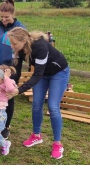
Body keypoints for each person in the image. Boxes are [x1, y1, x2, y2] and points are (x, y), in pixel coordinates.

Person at [6, 27, 69, 159]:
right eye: (11, 43)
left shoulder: (40, 47)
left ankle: (57, 144)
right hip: (43, 74)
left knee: (52, 106)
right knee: (36, 104)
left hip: (58, 73)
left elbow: (37, 75)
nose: (12, 46)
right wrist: (10, 86)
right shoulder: (18, 49)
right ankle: (36, 136)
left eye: (14, 44)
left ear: (24, 40)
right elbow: (15, 70)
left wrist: (19, 90)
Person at [0, 0, 26, 138]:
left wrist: (13, 69)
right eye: (1, 17)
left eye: (7, 17)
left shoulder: (19, 28)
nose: (4, 20)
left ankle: (6, 126)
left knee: (8, 97)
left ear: (13, 14)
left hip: (12, 69)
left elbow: (23, 49)